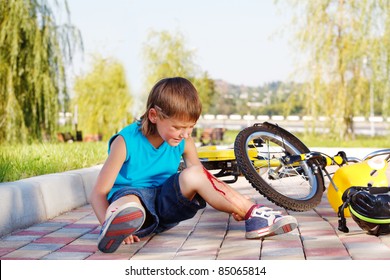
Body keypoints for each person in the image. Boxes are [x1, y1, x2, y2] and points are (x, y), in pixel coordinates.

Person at [90, 77, 298, 253]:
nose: (186, 134)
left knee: (195, 173)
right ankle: (116, 224)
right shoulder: (125, 142)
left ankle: (254, 214)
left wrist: (235, 202)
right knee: (129, 201)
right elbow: (98, 194)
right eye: (178, 127)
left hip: (165, 203)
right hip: (135, 204)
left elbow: (203, 180)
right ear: (154, 116)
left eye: (190, 127)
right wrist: (103, 225)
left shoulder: (183, 140)